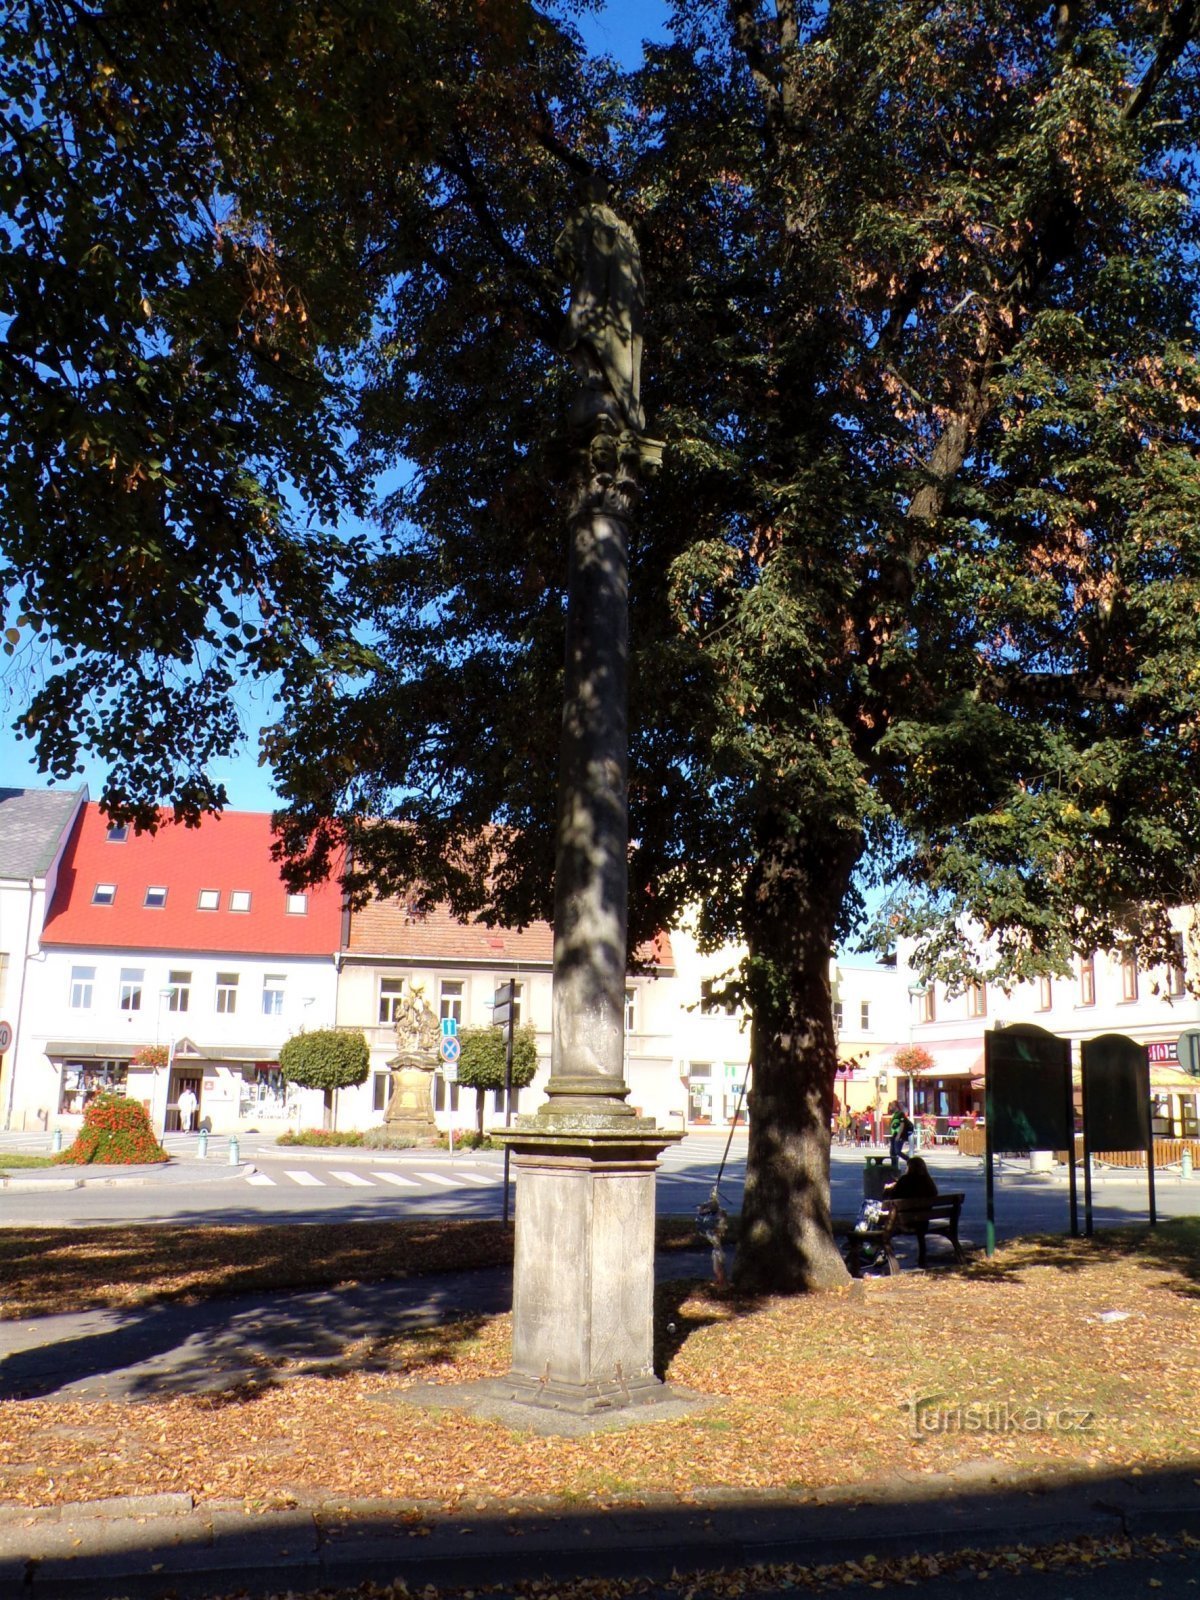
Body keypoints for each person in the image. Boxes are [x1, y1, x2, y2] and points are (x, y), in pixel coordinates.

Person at [888, 1100, 914, 1171]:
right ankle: (894, 1167)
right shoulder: (895, 1114)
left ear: (896, 1106)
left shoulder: (900, 1114)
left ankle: (909, 1161)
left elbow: (902, 1124)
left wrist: (898, 1135)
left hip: (899, 1135)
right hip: (894, 1135)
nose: (891, 1106)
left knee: (897, 1151)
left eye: (892, 1105)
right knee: (892, 1152)